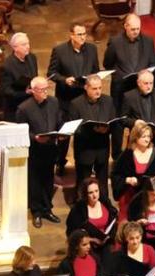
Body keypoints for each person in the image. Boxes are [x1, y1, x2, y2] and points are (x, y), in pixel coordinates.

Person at [48, 24, 99, 174]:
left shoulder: (91, 49)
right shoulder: (60, 51)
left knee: (86, 132)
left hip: (85, 99)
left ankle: (86, 164)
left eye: (84, 34)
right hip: (67, 100)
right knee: (65, 134)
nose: (83, 37)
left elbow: (95, 70)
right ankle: (60, 162)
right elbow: (52, 73)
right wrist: (64, 80)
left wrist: (92, 80)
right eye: (79, 34)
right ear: (71, 35)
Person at [16, 76, 63, 228]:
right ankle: (36, 211)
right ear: (33, 90)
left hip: (50, 148)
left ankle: (47, 209)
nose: (45, 92)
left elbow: (59, 121)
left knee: (49, 180)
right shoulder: (24, 108)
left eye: (46, 89)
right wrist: (34, 138)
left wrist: (62, 132)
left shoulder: (54, 102)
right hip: (35, 151)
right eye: (42, 90)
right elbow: (21, 131)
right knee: (35, 182)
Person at [68, 75, 114, 200]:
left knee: (102, 179)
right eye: (94, 88)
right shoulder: (76, 103)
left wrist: (107, 128)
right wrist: (91, 129)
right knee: (83, 179)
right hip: (85, 148)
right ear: (86, 87)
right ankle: (82, 204)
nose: (98, 91)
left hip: (102, 147)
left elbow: (113, 122)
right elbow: (74, 128)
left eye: (100, 88)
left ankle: (104, 204)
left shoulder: (108, 100)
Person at [111, 122, 155, 221]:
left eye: (149, 136)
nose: (147, 139)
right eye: (143, 136)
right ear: (135, 137)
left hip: (150, 197)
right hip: (130, 195)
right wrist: (127, 180)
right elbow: (115, 175)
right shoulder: (127, 155)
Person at [103, 14, 155, 114]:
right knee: (119, 114)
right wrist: (118, 74)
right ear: (126, 26)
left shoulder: (148, 41)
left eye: (138, 29)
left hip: (140, 88)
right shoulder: (115, 42)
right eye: (133, 29)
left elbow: (152, 62)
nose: (136, 32)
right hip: (121, 86)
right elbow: (108, 63)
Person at [120, 70, 155, 159]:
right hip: (138, 141)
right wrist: (135, 122)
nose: (149, 86)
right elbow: (123, 119)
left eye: (151, 83)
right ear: (138, 83)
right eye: (146, 83)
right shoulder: (129, 96)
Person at [66, 177, 118, 253]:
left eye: (96, 191)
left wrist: (109, 236)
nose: (95, 195)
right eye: (90, 192)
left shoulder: (105, 202)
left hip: (107, 243)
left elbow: (114, 219)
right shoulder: (78, 209)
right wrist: (92, 240)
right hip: (88, 246)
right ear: (85, 194)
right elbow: (72, 233)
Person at [0, 32, 37, 122]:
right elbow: (6, 90)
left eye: (28, 43)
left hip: (30, 104)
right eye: (24, 44)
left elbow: (34, 77)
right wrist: (25, 93)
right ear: (15, 47)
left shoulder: (32, 58)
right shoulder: (7, 65)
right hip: (14, 107)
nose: (28, 46)